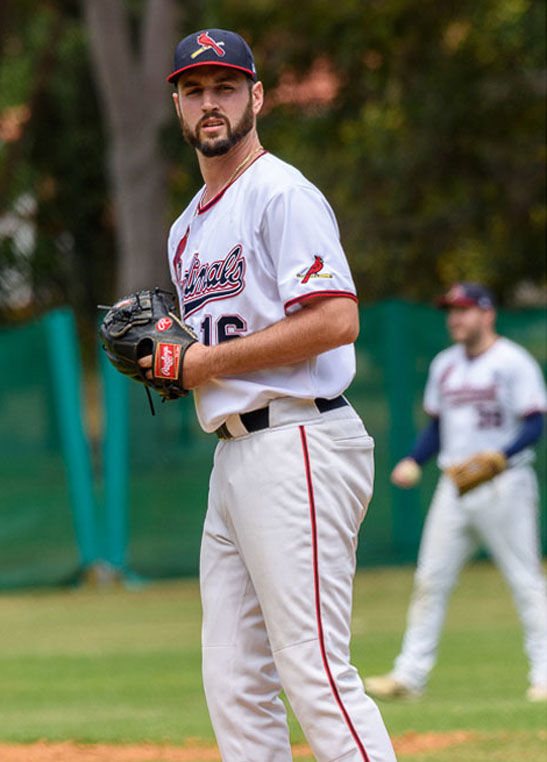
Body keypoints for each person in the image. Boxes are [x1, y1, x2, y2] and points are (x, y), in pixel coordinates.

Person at [142, 28, 397, 762]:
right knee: (233, 682)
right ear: (178, 106)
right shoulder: (185, 228)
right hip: (234, 456)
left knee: (313, 672)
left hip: (298, 441)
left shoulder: (280, 192)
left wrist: (205, 363)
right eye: (194, 90)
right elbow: (202, 354)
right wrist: (172, 363)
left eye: (225, 87)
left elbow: (335, 319)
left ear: (256, 97)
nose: (209, 103)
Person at [364, 282, 547, 703]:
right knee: (430, 580)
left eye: (464, 310)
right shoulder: (445, 364)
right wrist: (415, 459)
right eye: (451, 311)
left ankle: (543, 674)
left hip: (505, 484)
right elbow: (438, 426)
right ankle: (409, 676)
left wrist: (502, 455)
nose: (455, 318)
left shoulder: (512, 361)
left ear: (488, 313)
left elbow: (535, 420)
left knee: (525, 580)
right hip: (455, 485)